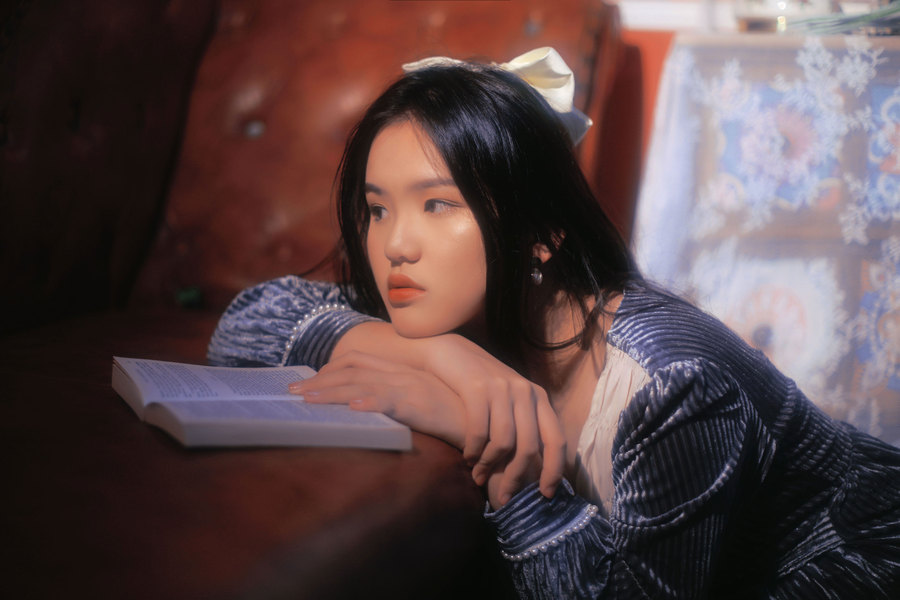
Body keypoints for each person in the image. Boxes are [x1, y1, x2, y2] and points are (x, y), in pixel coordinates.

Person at [207, 48, 900, 599]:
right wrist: (447, 361)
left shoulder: (675, 387)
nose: (395, 244)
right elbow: (243, 324)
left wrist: (501, 455)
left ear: (541, 233)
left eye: (438, 205)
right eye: (378, 208)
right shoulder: (447, 305)